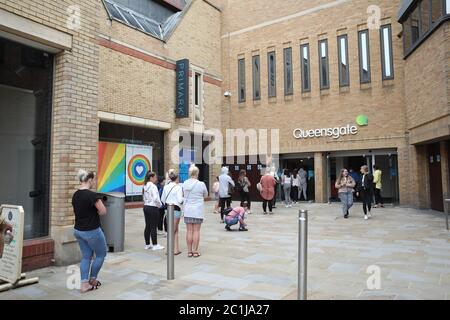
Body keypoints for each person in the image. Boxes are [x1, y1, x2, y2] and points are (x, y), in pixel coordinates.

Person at [72, 169, 107, 293]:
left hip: (78, 230)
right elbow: (103, 211)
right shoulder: (92, 195)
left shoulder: (75, 194)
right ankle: (92, 279)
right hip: (92, 231)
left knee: (86, 257)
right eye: (93, 180)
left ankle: (84, 285)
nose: (94, 182)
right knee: (101, 254)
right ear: (89, 180)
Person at [183, 165, 208, 258]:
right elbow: (206, 195)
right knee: (196, 231)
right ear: (197, 173)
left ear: (189, 173)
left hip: (188, 210)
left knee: (189, 231)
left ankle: (189, 251)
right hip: (197, 210)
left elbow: (183, 194)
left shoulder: (185, 183)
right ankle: (195, 251)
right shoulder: (201, 184)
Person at [161, 170, 184, 255]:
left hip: (168, 208)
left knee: (174, 230)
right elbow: (180, 200)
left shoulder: (166, 187)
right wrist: (184, 199)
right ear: (177, 178)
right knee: (173, 230)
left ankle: (176, 249)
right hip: (176, 209)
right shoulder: (178, 187)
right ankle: (170, 250)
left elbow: (163, 199)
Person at [143, 171, 164, 251]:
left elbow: (144, 197)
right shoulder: (153, 186)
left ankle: (147, 244)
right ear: (151, 178)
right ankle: (155, 245)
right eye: (155, 177)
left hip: (146, 206)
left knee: (148, 225)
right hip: (153, 207)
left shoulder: (145, 186)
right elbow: (156, 198)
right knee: (153, 226)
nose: (156, 179)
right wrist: (159, 205)